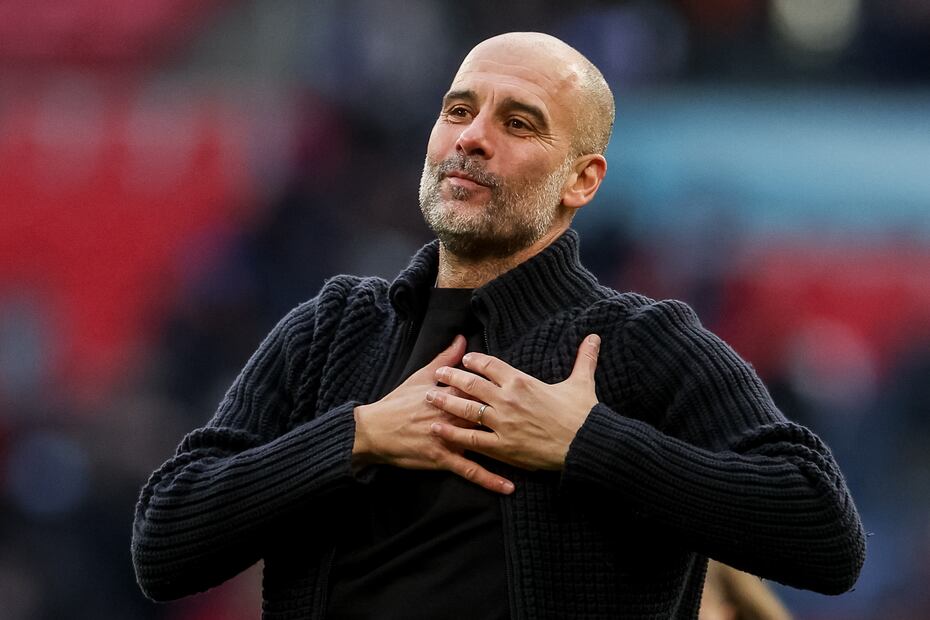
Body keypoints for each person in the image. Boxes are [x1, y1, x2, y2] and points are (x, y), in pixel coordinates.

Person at [131, 32, 865, 619]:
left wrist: (586, 443)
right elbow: (164, 542)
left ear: (582, 179)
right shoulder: (329, 331)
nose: (472, 138)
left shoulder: (641, 344)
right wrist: (360, 435)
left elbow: (824, 534)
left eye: (518, 123)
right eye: (458, 111)